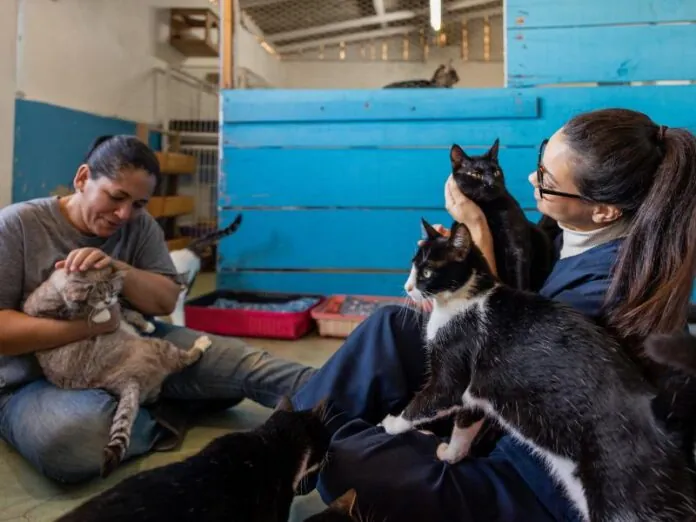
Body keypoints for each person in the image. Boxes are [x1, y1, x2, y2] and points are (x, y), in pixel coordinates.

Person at [290, 108, 696, 522]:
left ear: (604, 210)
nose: (532, 180)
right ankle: (283, 449)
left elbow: (499, 356)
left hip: (536, 472)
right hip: (516, 385)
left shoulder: (602, 290)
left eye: (548, 182)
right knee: (389, 328)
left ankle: (310, 450)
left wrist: (478, 232)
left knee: (350, 458)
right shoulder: (572, 228)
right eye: (541, 162)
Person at [0, 135, 316, 484]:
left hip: (131, 350)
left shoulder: (139, 224)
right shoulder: (17, 225)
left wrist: (119, 269)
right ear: (82, 178)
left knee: (253, 365)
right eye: (116, 197)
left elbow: (166, 300)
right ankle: (176, 407)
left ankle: (366, 400)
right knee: (74, 439)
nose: (124, 214)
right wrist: (89, 328)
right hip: (35, 383)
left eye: (138, 204)